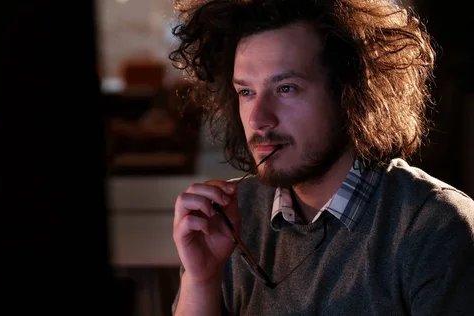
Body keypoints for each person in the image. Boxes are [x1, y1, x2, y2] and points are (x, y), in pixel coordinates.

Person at [167, 0, 474, 315]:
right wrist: (201, 280)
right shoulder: (229, 218)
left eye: (286, 89)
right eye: (246, 92)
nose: (259, 119)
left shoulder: (434, 227)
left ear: (350, 93)